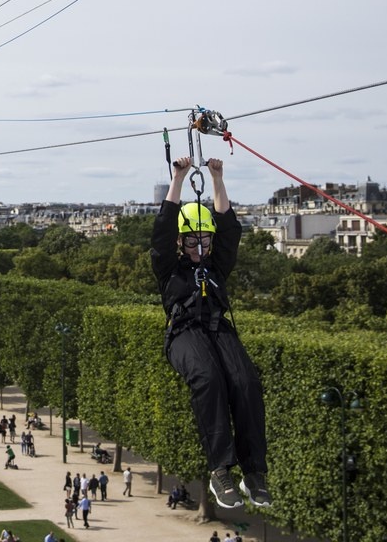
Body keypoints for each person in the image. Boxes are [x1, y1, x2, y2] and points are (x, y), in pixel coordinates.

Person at [151, 157, 269, 510]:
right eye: (192, 241)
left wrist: (218, 179)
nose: (200, 246)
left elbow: (230, 230)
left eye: (205, 239)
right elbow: (162, 229)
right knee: (208, 378)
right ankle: (221, 469)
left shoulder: (217, 266)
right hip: (184, 333)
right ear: (180, 242)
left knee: (246, 382)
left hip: (218, 329)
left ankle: (254, 472)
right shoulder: (168, 268)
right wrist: (178, 178)